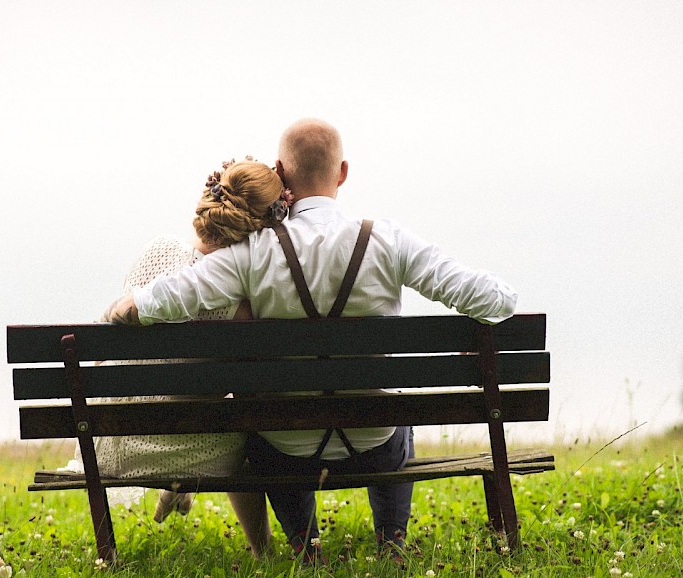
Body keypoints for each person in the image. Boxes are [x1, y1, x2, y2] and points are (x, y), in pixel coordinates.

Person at [103, 118, 519, 562]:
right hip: (375, 447)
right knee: (399, 418)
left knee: (266, 435)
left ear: (281, 172)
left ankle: (306, 544)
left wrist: (121, 309)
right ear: (342, 172)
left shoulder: (253, 252)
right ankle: (392, 542)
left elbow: (158, 301)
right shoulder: (390, 240)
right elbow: (495, 300)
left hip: (289, 453)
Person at [73, 156, 288, 558]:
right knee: (246, 433)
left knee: (187, 396)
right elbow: (243, 388)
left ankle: (178, 489)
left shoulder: (157, 250)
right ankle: (262, 551)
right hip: (192, 442)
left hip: (116, 440)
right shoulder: (238, 298)